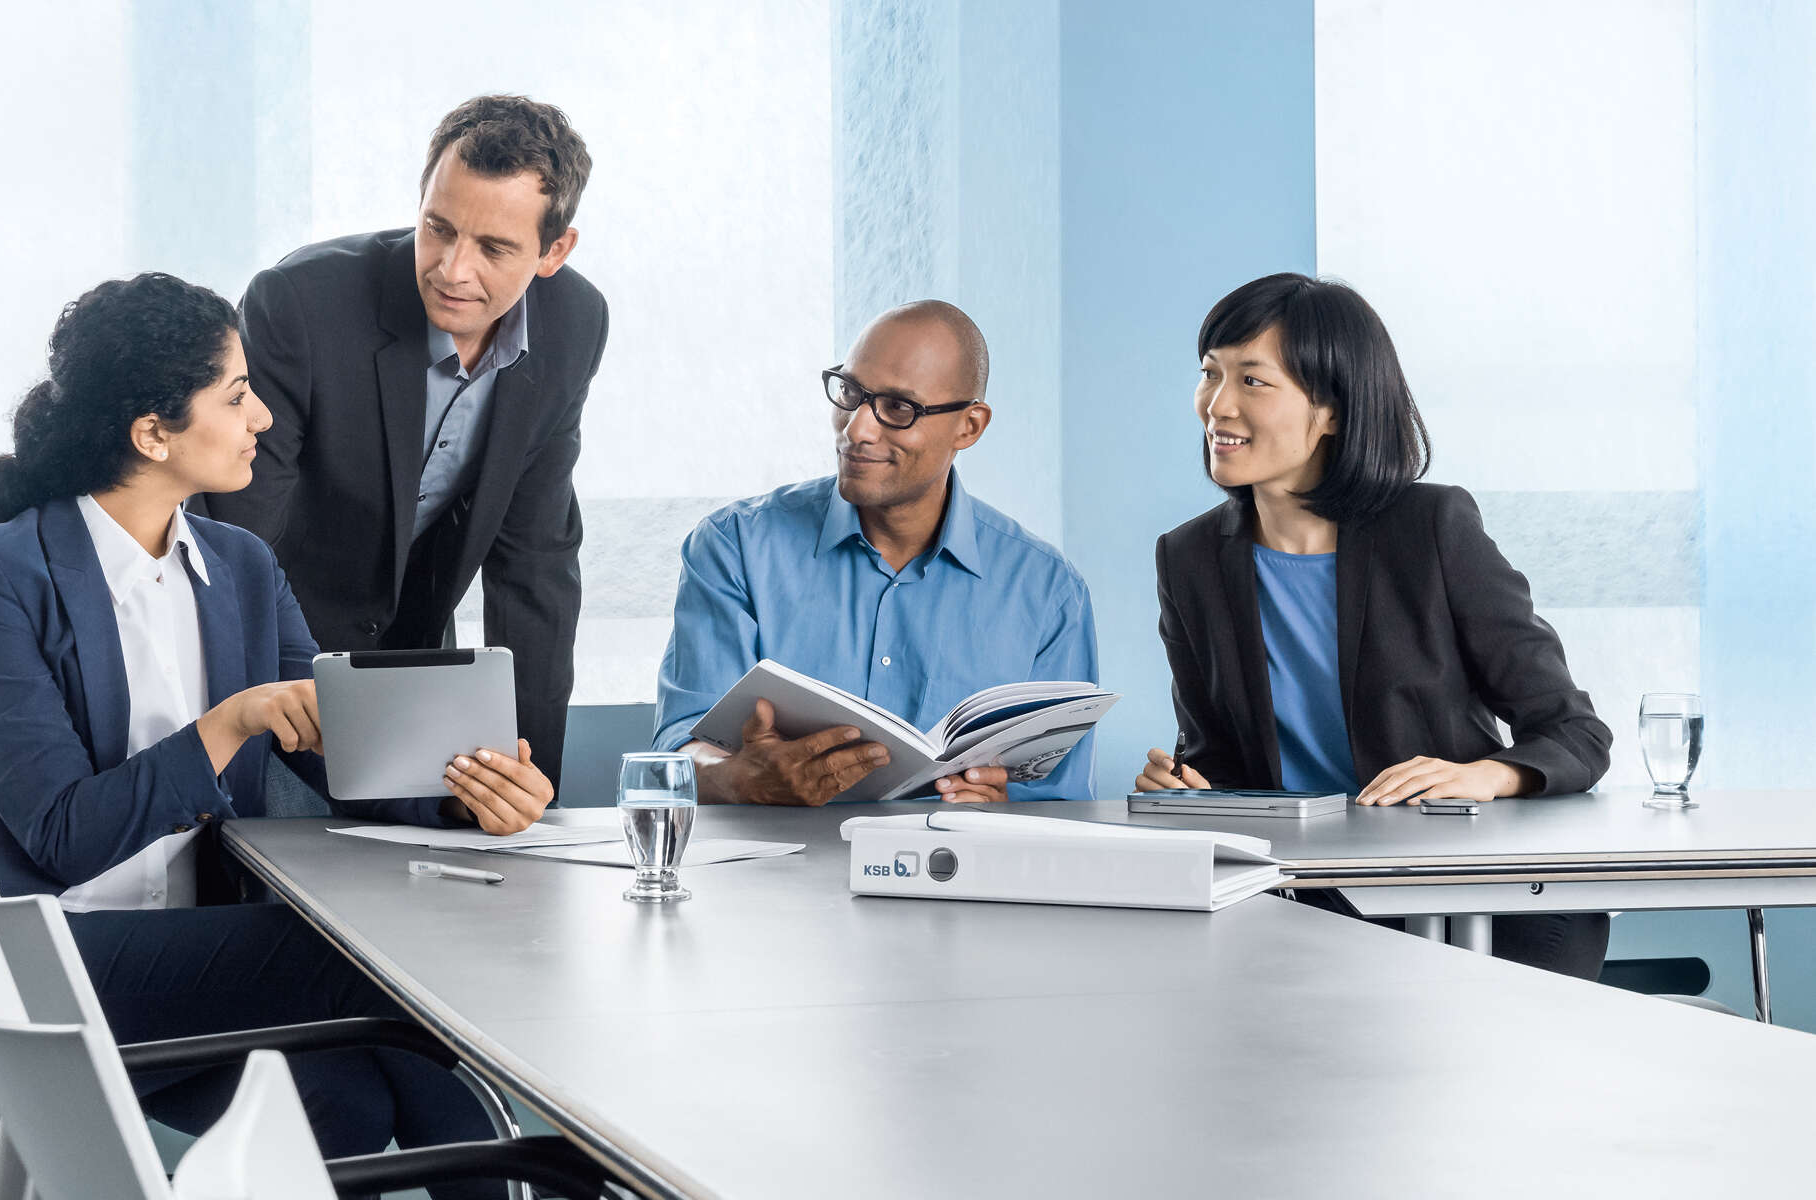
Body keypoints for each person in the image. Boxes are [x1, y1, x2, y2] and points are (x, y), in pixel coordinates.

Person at [0, 273, 551, 1195]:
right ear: (153, 434)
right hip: (30, 966)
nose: (262, 416)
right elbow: (62, 835)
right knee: (355, 952)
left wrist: (471, 792)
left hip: (178, 965)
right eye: (235, 395)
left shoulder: (241, 566)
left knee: (346, 1100)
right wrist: (226, 726)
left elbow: (342, 741)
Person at [1132, 272, 1613, 978]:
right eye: (1210, 374)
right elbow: (1221, 758)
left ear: (1331, 410)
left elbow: (1575, 733)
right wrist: (1186, 785)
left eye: (1252, 381)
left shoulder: (1432, 528)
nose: (1218, 404)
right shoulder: (1189, 558)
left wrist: (1487, 775)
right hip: (1313, 895)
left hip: (1486, 890)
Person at [201, 94, 608, 791]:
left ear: (554, 251)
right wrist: (292, 725)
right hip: (268, 673)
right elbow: (237, 543)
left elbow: (535, 564)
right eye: (438, 228)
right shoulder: (302, 303)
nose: (452, 269)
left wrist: (529, 785)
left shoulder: (575, 323)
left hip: (412, 673)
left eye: (494, 248)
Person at [653, 301, 1099, 806]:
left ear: (969, 427)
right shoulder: (734, 546)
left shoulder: (1049, 591)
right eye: (850, 393)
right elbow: (678, 751)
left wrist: (1002, 811)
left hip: (957, 858)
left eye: (898, 408)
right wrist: (738, 778)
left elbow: (1064, 803)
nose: (856, 430)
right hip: (777, 857)